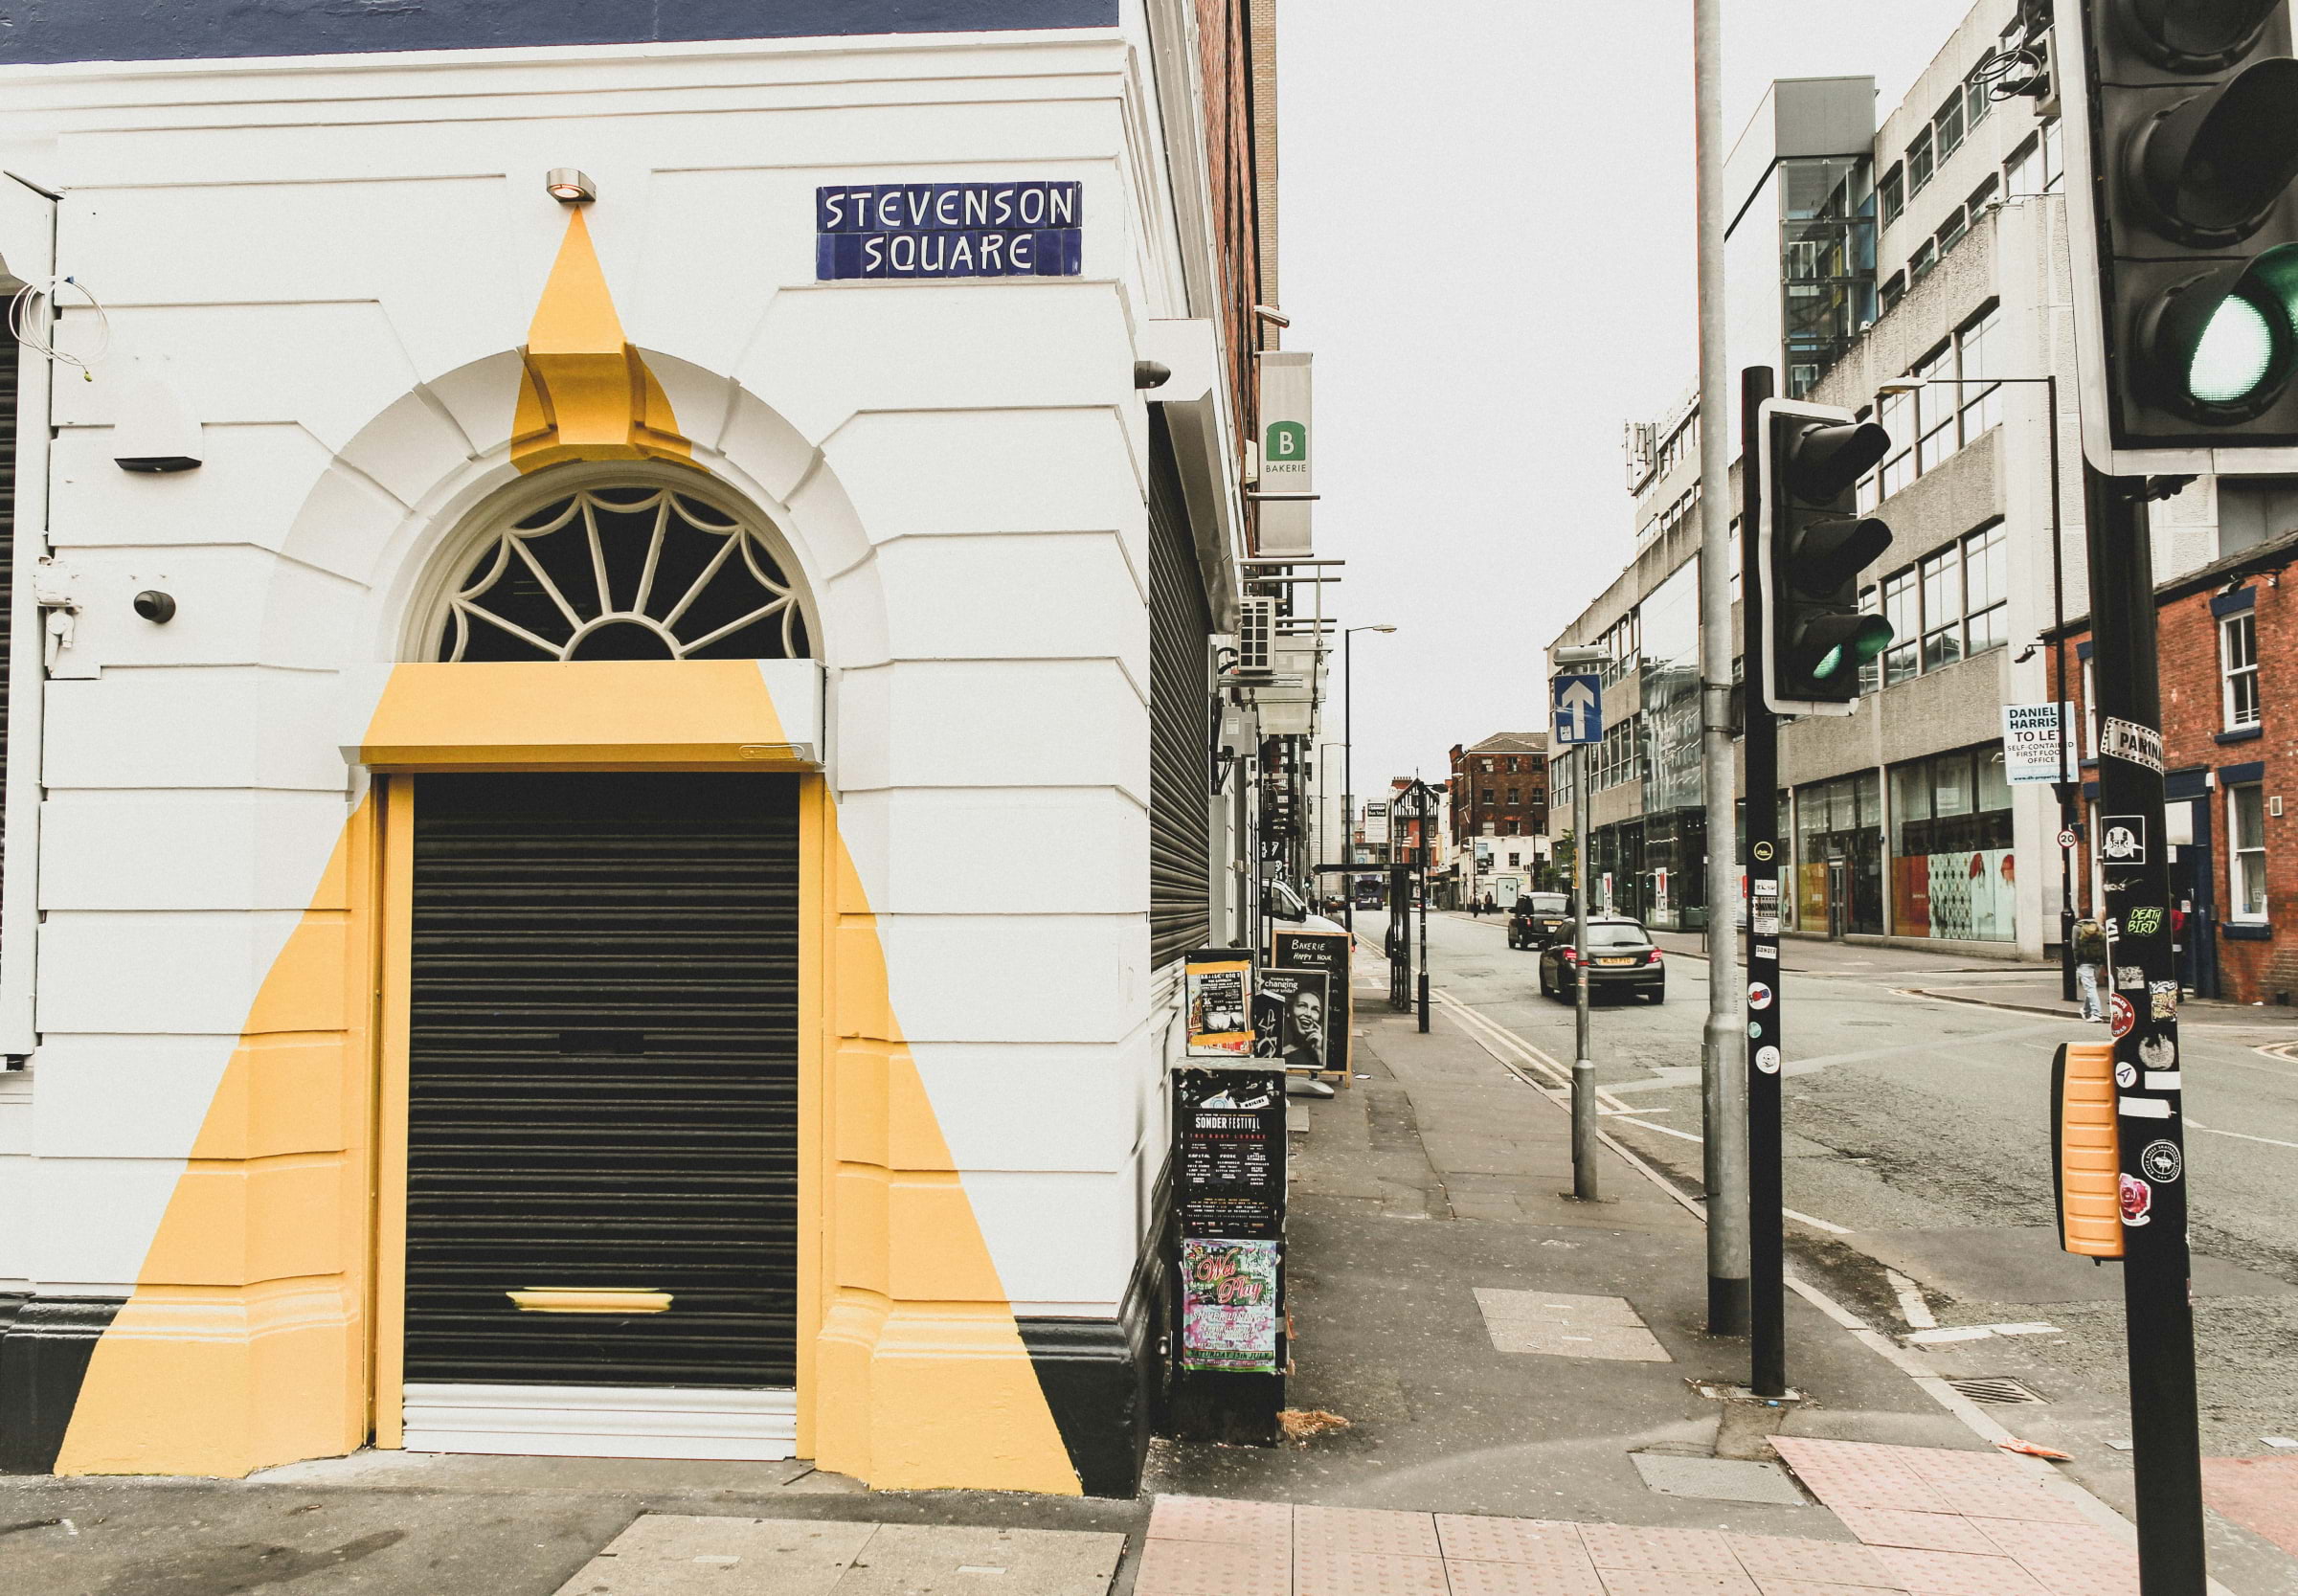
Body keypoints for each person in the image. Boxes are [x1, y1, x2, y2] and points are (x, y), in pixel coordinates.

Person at [2073, 915, 2108, 1022]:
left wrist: (2076, 962)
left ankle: (2096, 1014)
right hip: (2097, 961)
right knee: (2091, 987)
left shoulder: (2076, 928)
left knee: (2090, 988)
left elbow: (2075, 946)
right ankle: (2086, 1010)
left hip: (2084, 962)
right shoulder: (2099, 927)